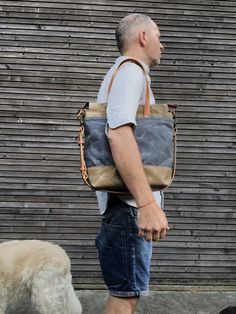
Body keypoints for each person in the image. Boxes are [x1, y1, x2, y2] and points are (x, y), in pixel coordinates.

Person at [95, 13, 169, 314]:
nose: (162, 45)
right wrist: (147, 204)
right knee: (125, 296)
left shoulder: (125, 72)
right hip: (129, 207)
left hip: (125, 206)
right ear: (143, 37)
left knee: (126, 293)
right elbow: (119, 134)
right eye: (159, 37)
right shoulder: (131, 71)